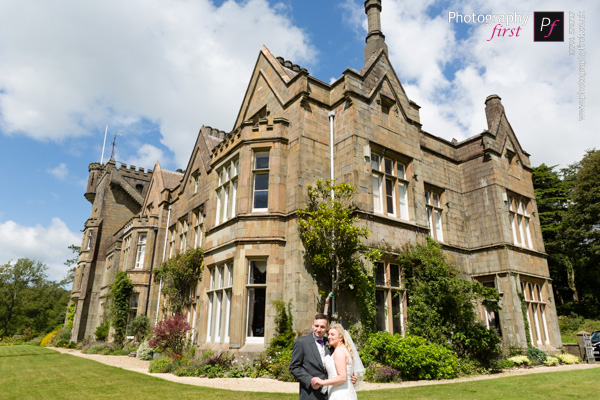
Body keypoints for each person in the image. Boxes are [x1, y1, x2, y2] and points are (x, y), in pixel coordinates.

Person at [289, 314, 360, 400]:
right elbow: (294, 367)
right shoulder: (301, 342)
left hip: (331, 392)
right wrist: (310, 381)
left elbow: (343, 362)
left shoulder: (331, 342)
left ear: (326, 328)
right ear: (312, 325)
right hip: (311, 393)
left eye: (322, 327)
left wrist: (350, 377)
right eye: (316, 326)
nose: (318, 329)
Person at [309, 323, 364, 400]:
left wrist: (322, 382)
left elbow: (342, 377)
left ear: (341, 337)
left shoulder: (339, 351)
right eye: (329, 334)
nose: (329, 337)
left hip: (340, 393)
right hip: (346, 391)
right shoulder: (346, 350)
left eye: (332, 334)